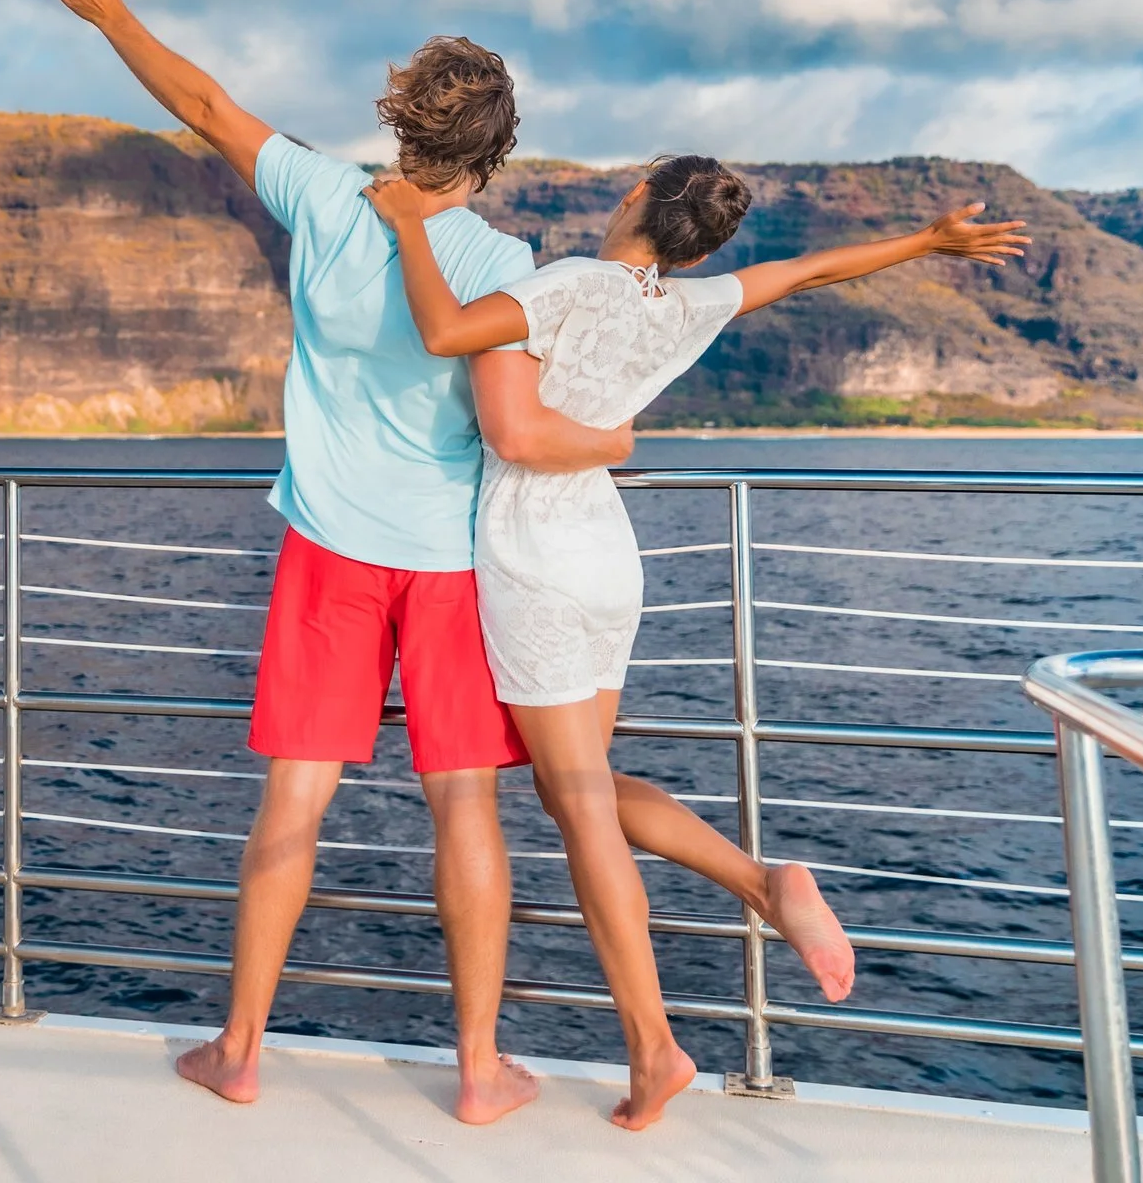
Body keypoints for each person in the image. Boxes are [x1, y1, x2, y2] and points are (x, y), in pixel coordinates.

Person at [36, 0, 627, 1124]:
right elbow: (528, 414)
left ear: (398, 118)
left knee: (292, 805)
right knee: (465, 804)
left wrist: (109, 13)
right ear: (494, 151)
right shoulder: (499, 259)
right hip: (453, 562)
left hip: (328, 551)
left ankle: (241, 1049)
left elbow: (202, 102)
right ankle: (476, 1068)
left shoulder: (321, 195)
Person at [365, 153, 1030, 1131]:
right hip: (603, 553)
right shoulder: (683, 306)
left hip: (535, 555)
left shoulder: (565, 284)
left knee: (582, 807)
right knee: (572, 783)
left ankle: (652, 1044)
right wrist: (926, 241)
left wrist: (405, 225)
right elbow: (803, 271)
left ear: (633, 194)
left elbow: (442, 331)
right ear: (704, 245)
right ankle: (764, 880)